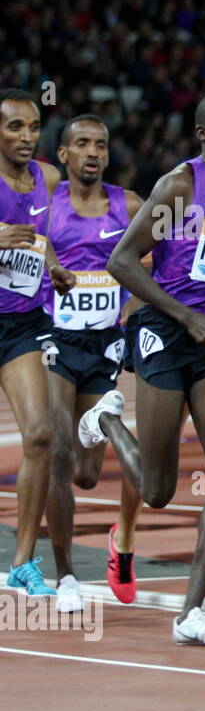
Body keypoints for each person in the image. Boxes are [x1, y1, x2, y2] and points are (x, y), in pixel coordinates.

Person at [78, 88, 205, 646]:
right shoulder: (181, 188)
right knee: (160, 490)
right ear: (204, 135)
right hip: (166, 332)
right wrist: (185, 316)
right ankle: (108, 421)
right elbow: (121, 261)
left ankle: (191, 610)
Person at [43, 115, 143, 611]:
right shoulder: (46, 205)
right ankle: (65, 577)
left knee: (85, 474)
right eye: (81, 144)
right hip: (52, 341)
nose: (92, 152)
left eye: (100, 145)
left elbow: (162, 262)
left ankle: (96, 420)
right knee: (57, 454)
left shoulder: (130, 206)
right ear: (62, 155)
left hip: (105, 345)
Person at [0, 89, 75, 598]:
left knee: (41, 435)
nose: (26, 137)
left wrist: (52, 267)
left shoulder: (48, 179)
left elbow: (43, 237)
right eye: (13, 128)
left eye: (32, 127)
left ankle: (23, 562)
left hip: (21, 324)